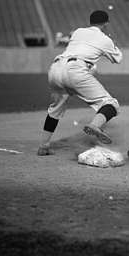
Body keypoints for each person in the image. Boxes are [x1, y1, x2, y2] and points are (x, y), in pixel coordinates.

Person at [38, 10, 123, 156]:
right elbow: (117, 59)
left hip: (55, 68)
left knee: (55, 109)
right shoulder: (105, 39)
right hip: (76, 70)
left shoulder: (78, 32)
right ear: (106, 23)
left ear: (90, 22)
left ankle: (43, 147)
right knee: (111, 104)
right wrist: (112, 43)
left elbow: (82, 46)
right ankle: (95, 126)